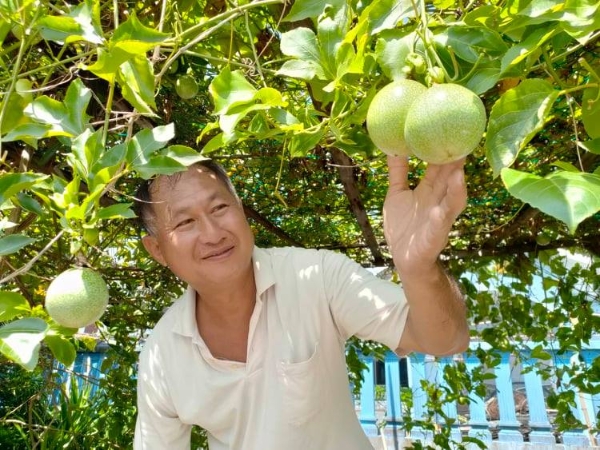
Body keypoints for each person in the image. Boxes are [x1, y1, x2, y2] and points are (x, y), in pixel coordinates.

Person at [133, 156, 469, 450]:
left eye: (219, 207)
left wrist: (419, 269)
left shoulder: (316, 276)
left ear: (241, 210)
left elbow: (445, 340)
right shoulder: (162, 354)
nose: (212, 233)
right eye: (185, 222)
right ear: (157, 250)